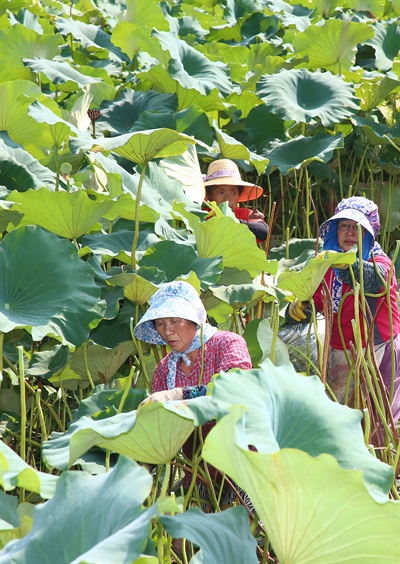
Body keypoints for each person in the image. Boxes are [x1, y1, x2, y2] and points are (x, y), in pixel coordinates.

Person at [134, 280, 253, 507]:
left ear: (195, 318)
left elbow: (235, 390)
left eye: (175, 320)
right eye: (160, 323)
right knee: (182, 541)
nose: (167, 331)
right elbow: (161, 431)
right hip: (198, 472)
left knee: (235, 537)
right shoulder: (163, 370)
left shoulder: (228, 344)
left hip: (243, 463)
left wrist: (177, 395)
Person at [286, 196, 400, 428]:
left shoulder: (380, 261)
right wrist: (299, 308)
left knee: (377, 419)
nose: (350, 232)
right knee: (341, 417)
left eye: (358, 227)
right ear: (334, 231)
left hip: (379, 350)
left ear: (369, 233)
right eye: (344, 226)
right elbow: (316, 300)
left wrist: (348, 265)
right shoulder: (325, 264)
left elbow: (373, 280)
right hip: (340, 350)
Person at [203, 158, 268, 243]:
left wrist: (234, 221)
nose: (227, 199)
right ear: (209, 195)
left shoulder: (244, 214)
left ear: (239, 195)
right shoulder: (202, 216)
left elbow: (264, 231)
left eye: (233, 193)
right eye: (221, 192)